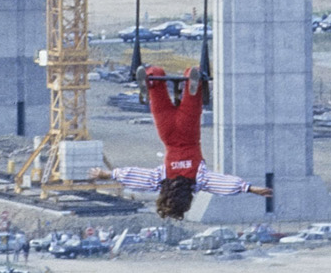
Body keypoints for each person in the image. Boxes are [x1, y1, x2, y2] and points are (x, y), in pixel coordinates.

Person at [90, 66, 269, 219]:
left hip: (188, 131)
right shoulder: (162, 178)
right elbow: (135, 176)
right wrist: (108, 174)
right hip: (167, 133)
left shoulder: (198, 179)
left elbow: (221, 183)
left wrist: (249, 188)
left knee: (192, 78)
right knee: (157, 77)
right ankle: (151, 81)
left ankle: (193, 85)